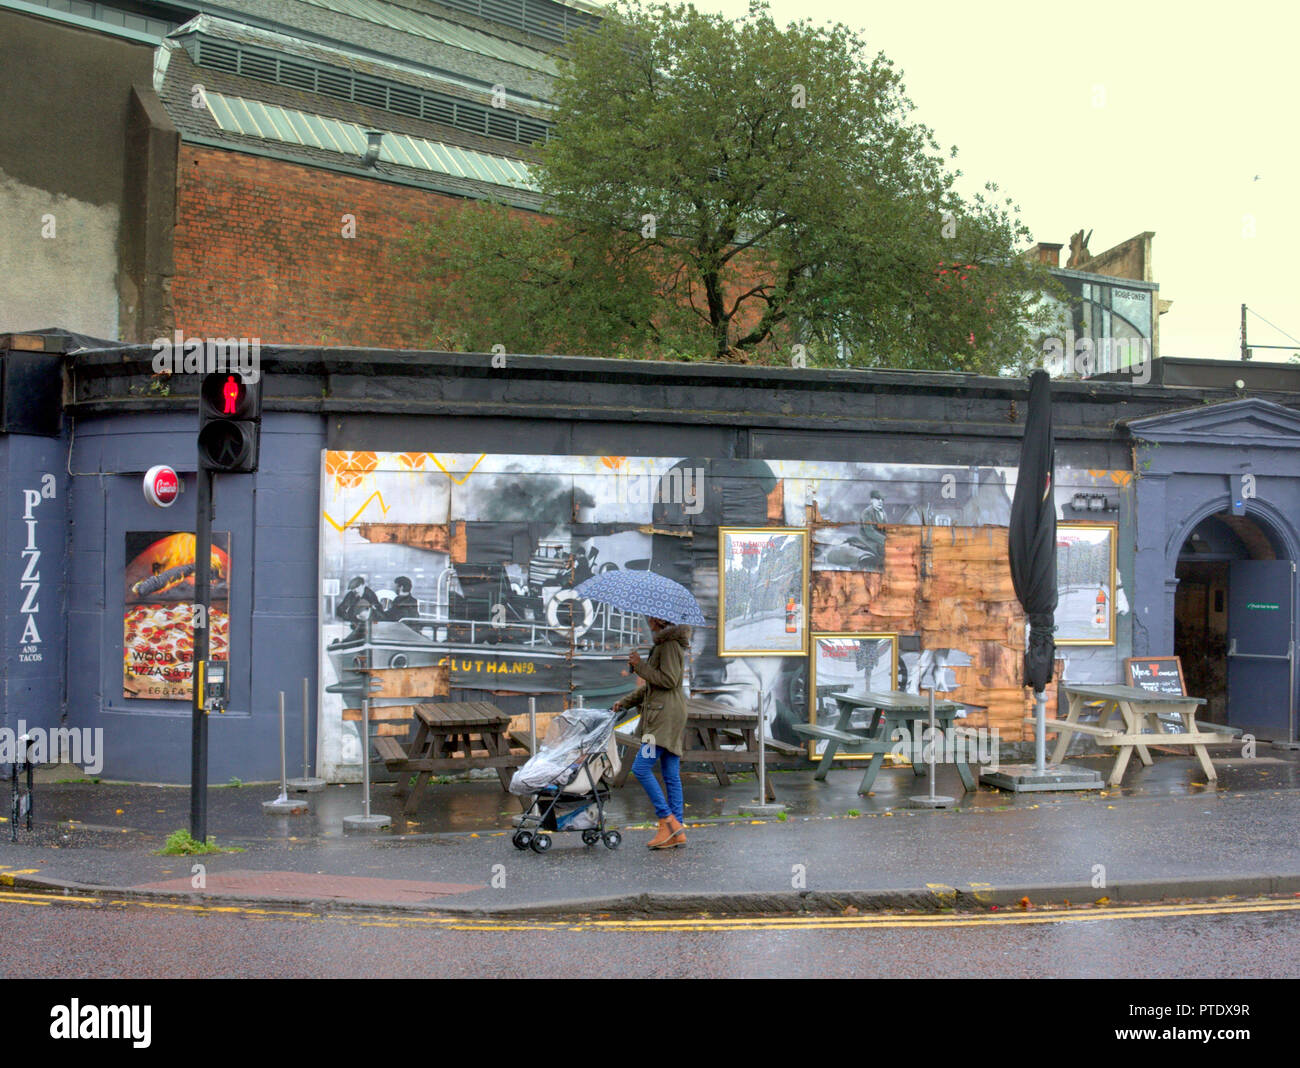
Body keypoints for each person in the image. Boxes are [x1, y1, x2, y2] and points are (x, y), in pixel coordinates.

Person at [612, 617, 690, 849]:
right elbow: (652, 686)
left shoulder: (668, 646)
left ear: (658, 619)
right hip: (666, 714)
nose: (647, 620)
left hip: (661, 719)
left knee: (641, 768)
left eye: (649, 617)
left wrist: (639, 666)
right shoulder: (665, 644)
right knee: (670, 774)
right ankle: (676, 831)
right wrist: (625, 702)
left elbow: (668, 680)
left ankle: (668, 820)